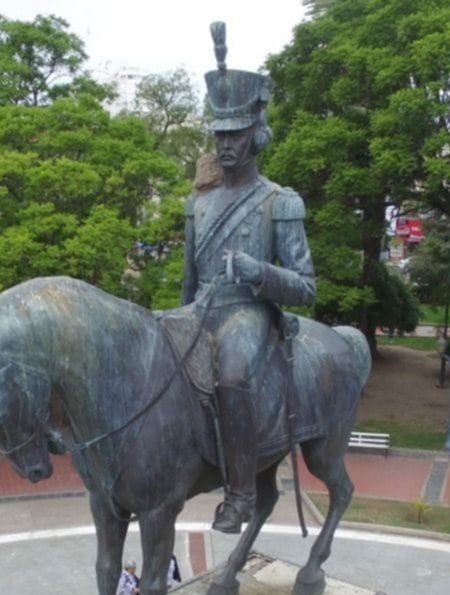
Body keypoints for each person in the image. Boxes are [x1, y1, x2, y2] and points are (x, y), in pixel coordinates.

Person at [182, 22, 317, 534]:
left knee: (232, 371)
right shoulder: (197, 205)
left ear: (255, 133)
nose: (225, 145)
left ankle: (239, 496)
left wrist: (260, 272)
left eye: (235, 134)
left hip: (250, 313)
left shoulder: (280, 203)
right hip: (202, 311)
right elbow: (188, 285)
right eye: (219, 135)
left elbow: (306, 286)